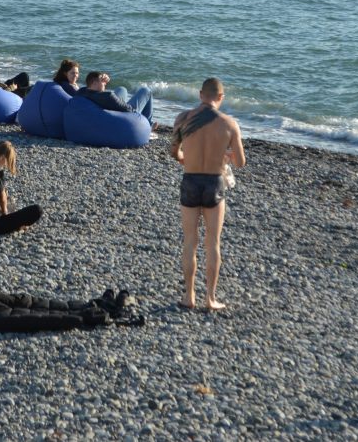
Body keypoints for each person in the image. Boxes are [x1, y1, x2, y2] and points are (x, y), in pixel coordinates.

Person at [170, 77, 245, 311]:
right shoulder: (229, 123)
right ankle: (210, 298)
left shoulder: (183, 119)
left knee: (190, 241)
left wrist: (184, 157)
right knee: (213, 243)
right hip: (214, 182)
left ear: (201, 94)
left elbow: (174, 151)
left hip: (190, 180)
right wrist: (225, 155)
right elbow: (241, 162)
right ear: (221, 97)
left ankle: (189, 296)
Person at [76, 71, 154, 124]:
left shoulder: (82, 92)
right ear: (94, 83)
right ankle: (148, 125)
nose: (105, 83)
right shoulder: (108, 97)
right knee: (146, 90)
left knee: (122, 89)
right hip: (125, 116)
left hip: (109, 108)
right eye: (102, 81)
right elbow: (130, 110)